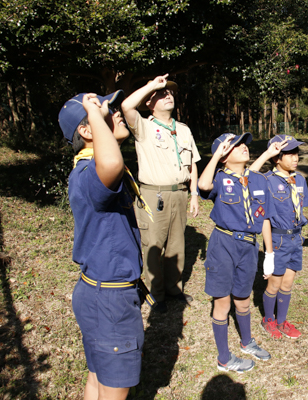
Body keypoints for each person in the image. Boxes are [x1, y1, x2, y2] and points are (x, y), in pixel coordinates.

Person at [58, 91, 151, 399]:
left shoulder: (88, 171)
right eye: (108, 110)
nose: (118, 113)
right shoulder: (91, 173)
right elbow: (111, 162)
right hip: (110, 300)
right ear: (88, 129)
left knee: (98, 379)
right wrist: (94, 112)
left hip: (99, 293)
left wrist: (97, 114)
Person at [198, 132, 278, 373]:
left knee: (242, 299)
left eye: (245, 144)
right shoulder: (220, 178)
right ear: (223, 156)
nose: (244, 147)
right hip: (224, 244)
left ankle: (247, 341)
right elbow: (202, 185)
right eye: (237, 146)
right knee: (222, 302)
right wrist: (215, 157)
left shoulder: (259, 180)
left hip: (249, 246)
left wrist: (270, 254)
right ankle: (224, 358)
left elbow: (263, 218)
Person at [121, 74, 201, 313]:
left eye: (170, 92)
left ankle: (174, 290)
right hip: (153, 195)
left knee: (177, 244)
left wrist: (194, 194)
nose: (168, 95)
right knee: (154, 245)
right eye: (161, 93)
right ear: (149, 102)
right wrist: (150, 86)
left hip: (180, 194)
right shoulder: (144, 126)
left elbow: (192, 164)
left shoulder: (183, 130)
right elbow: (126, 105)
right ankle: (156, 296)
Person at [249, 134, 308, 339]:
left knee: (287, 283)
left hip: (296, 239)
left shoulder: (299, 179)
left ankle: (282, 321)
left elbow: (300, 208)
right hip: (277, 239)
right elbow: (247, 177)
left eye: (296, 153)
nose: (295, 158)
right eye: (290, 154)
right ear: (277, 158)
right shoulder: (266, 181)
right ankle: (268, 319)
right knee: (274, 284)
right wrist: (269, 253)